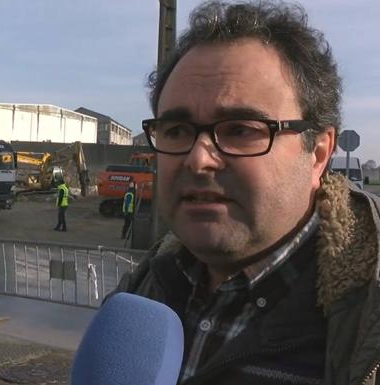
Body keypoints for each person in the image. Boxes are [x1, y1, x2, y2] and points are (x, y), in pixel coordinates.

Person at [112, 1, 380, 384]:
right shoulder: (146, 289)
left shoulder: (366, 313)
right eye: (176, 131)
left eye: (240, 130)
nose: (198, 159)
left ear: (319, 153)